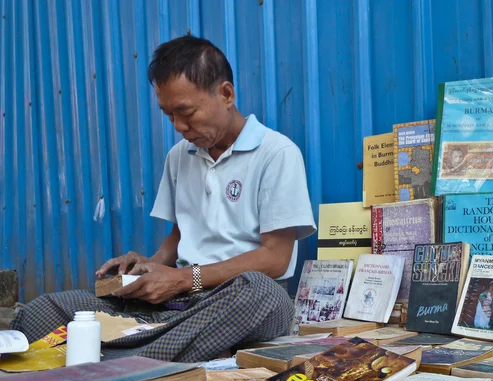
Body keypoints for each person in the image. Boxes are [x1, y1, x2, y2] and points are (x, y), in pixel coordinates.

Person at [11, 36, 316, 362]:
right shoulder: (179, 156)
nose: (179, 126)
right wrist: (147, 266)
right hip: (174, 308)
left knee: (263, 294)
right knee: (40, 311)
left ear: (226, 94)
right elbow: (180, 235)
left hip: (230, 302)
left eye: (186, 112)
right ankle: (155, 351)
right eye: (168, 114)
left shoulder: (276, 153)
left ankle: (123, 354)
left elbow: (275, 260)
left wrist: (184, 279)